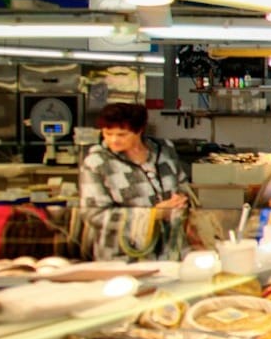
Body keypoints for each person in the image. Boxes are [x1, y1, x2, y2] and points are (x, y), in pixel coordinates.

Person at [79, 102, 197, 261]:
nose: (113, 140)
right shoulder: (97, 162)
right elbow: (93, 213)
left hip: (171, 251)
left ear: (139, 130)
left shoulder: (164, 150)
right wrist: (152, 215)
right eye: (107, 134)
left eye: (122, 134)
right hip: (122, 257)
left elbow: (183, 186)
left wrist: (182, 200)